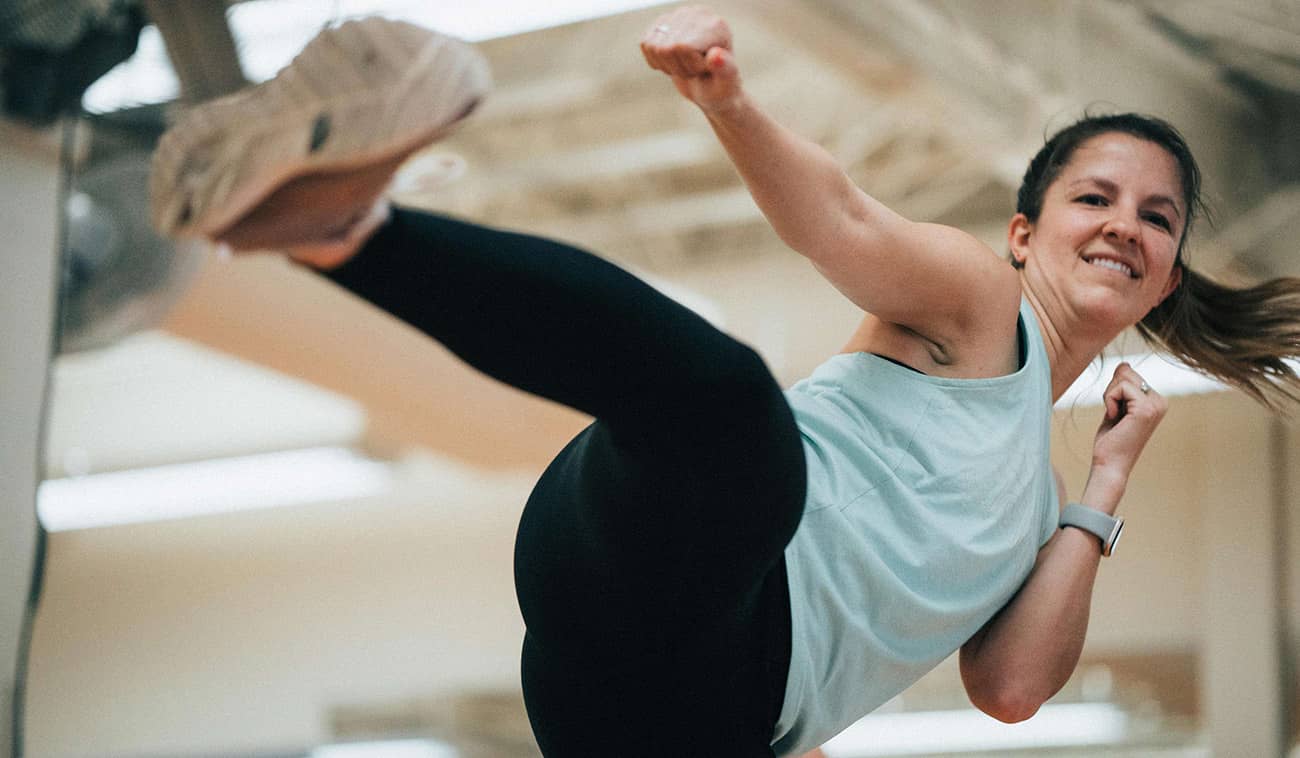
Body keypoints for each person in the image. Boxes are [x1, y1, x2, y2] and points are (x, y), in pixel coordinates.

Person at [148, 8, 1300, 757]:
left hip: (684, 718)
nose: (1123, 226)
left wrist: (1101, 480)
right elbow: (842, 217)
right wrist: (728, 104)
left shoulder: (1040, 511)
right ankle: (339, 230)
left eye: (1157, 218)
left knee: (741, 439)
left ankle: (328, 226)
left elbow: (1007, 688)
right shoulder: (974, 295)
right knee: (738, 418)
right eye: (1094, 197)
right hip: (668, 548)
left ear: (1161, 280)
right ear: (1020, 231)